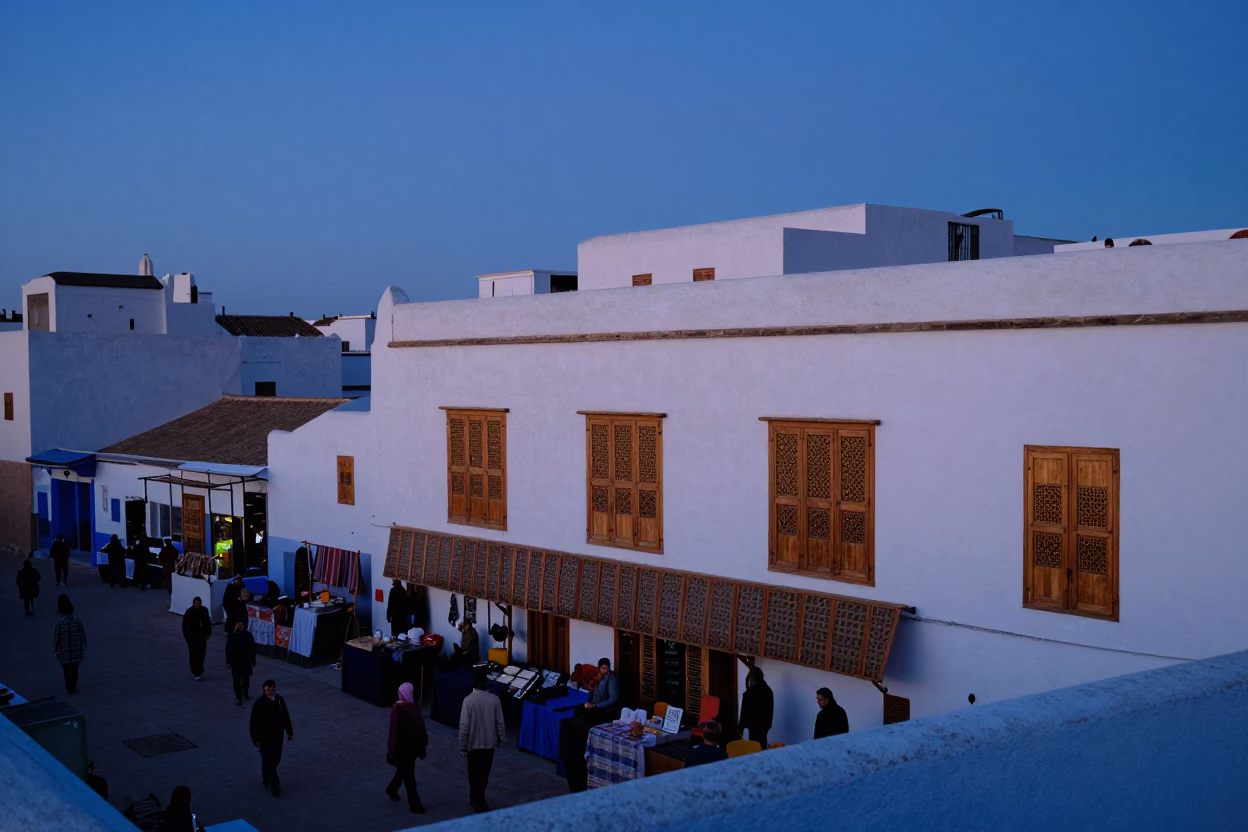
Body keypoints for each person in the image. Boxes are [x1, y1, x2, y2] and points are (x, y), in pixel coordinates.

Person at [458, 666, 505, 813]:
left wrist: (462, 745)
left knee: (473, 773)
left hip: (473, 745)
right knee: (484, 773)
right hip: (488, 744)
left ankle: (475, 798)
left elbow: (464, 725)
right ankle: (479, 798)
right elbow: (500, 722)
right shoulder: (494, 699)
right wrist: (501, 738)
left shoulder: (468, 700)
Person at [385, 682, 429, 814]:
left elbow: (393, 731)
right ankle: (415, 805)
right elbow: (421, 728)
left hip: (403, 749)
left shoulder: (397, 708)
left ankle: (391, 789)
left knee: (404, 772)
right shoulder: (414, 708)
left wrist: (390, 750)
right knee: (409, 776)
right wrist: (423, 745)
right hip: (409, 749)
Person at [250, 680, 294, 796]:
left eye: (273, 688)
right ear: (264, 690)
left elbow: (285, 716)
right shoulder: (259, 704)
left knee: (275, 760)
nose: (271, 691)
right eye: (268, 689)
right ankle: (275, 786)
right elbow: (254, 722)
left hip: (277, 737)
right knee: (269, 761)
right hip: (265, 738)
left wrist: (289, 731)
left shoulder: (279, 700)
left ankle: (266, 774)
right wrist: (255, 738)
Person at [53, 594, 87, 694]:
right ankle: (74, 685)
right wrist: (83, 646)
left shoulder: (60, 624)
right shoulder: (76, 622)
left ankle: (69, 686)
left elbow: (57, 638)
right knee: (75, 667)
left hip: (65, 650)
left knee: (66, 668)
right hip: (76, 649)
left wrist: (56, 648)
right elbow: (82, 635)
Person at [738, 665, 774, 749]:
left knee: (752, 749)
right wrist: (768, 725)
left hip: (753, 727)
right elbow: (770, 710)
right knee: (762, 747)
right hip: (764, 727)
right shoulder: (768, 691)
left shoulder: (749, 693)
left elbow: (744, 712)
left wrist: (741, 728)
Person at [226, 619, 258, 705]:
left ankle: (245, 692)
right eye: (238, 624)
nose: (240, 626)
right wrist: (228, 662)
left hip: (246, 661)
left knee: (246, 679)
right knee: (236, 680)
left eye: (241, 624)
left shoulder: (248, 635)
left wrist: (253, 660)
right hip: (235, 662)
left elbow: (252, 649)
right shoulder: (232, 636)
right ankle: (238, 697)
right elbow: (228, 650)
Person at [579, 657, 619, 726]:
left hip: (602, 706)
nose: (605, 670)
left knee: (588, 714)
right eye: (603, 668)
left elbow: (613, 699)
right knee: (579, 709)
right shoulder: (597, 676)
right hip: (594, 703)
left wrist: (595, 705)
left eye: (606, 668)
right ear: (599, 668)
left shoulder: (611, 678)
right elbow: (594, 690)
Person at [182, 597, 213, 680]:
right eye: (195, 604)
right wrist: (186, 636)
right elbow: (184, 625)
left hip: (202, 636)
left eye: (198, 604)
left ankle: (199, 667)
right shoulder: (189, 612)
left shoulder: (204, 611)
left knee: (201, 653)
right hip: (192, 637)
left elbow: (207, 622)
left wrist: (208, 633)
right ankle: (195, 671)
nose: (197, 605)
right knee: (193, 654)